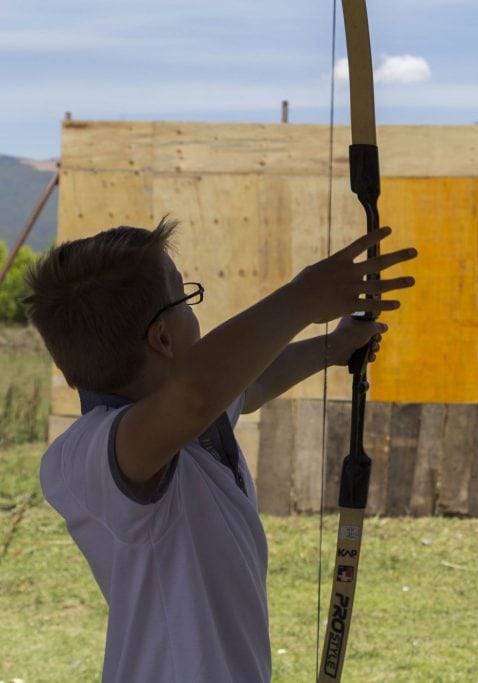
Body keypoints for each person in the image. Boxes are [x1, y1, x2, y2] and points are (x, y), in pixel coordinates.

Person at [22, 217, 416, 682]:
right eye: (186, 300)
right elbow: (197, 395)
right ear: (163, 338)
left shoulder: (183, 426)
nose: (196, 314)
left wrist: (331, 346)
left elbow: (249, 384)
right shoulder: (88, 455)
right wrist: (304, 296)